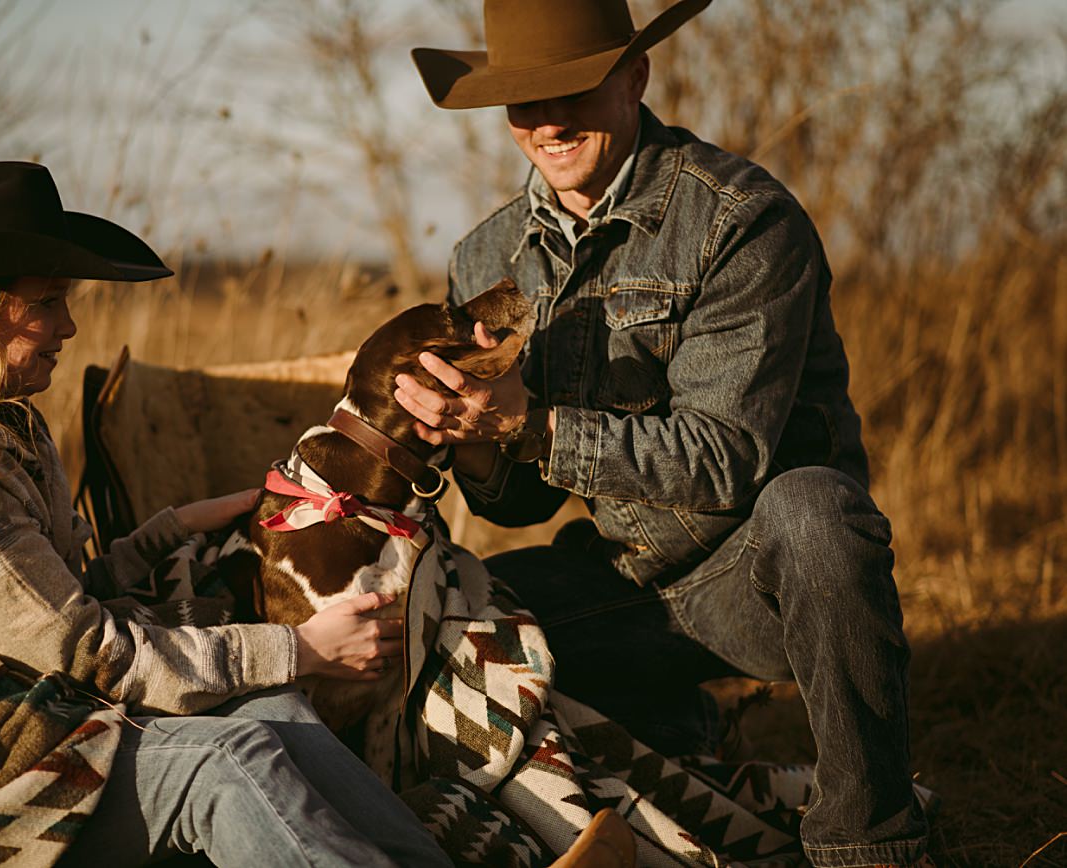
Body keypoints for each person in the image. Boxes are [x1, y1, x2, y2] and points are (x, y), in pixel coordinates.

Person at [0, 161, 454, 867]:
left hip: (0, 724)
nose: (68, 325)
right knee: (223, 761)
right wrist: (303, 649)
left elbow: (46, 602)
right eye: (46, 302)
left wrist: (171, 530)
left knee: (276, 713)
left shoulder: (7, 429)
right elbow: (87, 649)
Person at [398, 1, 931, 865]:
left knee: (815, 511)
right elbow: (522, 503)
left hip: (756, 577)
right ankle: (671, 743)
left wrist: (528, 423)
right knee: (454, 616)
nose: (548, 121)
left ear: (635, 77)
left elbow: (724, 461)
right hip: (619, 578)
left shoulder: (744, 220)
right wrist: (467, 432)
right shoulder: (485, 255)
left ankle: (868, 838)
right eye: (522, 102)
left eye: (572, 88)